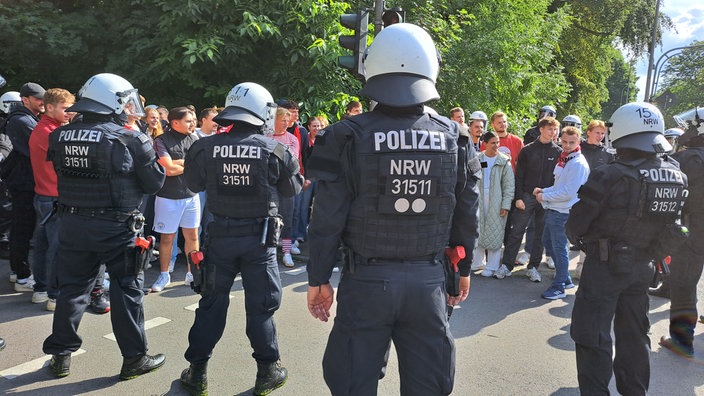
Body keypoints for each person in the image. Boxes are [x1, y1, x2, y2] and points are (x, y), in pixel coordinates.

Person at [306, 23, 479, 395]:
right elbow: (467, 211)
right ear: (430, 67)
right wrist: (462, 269)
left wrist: (318, 279)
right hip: (428, 281)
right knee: (429, 384)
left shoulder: (345, 134)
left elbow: (326, 218)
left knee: (352, 381)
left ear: (373, 67)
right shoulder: (455, 136)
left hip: (366, 280)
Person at [179, 82, 303, 396]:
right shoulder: (276, 149)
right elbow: (292, 191)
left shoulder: (204, 146)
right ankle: (267, 372)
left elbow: (192, 183)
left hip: (219, 238)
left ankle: (196, 373)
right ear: (264, 112)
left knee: (210, 305)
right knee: (260, 309)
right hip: (259, 242)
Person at [42, 73, 167, 379]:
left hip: (72, 223)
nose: (128, 107)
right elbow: (154, 183)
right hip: (117, 227)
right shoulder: (130, 138)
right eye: (124, 101)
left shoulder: (60, 135)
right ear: (112, 102)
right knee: (127, 290)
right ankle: (134, 359)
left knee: (72, 290)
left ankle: (60, 356)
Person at [567, 102, 687, 395]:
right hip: (644, 267)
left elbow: (576, 225)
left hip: (604, 267)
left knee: (592, 337)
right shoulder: (675, 174)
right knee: (634, 335)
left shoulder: (610, 174)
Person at [659, 106, 704, 358]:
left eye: (689, 126)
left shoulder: (689, 159)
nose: (685, 131)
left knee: (683, 285)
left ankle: (682, 340)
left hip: (691, 232)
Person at [495, 117, 561, 281]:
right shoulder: (528, 150)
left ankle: (533, 267)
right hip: (526, 196)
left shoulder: (558, 152)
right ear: (541, 129)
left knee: (540, 234)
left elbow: (558, 179)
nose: (552, 133)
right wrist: (518, 198)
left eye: (554, 130)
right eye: (549, 129)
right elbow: (519, 176)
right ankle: (507, 265)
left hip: (547, 198)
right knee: (516, 231)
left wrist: (552, 197)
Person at [28, 88, 75, 311]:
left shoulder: (45, 129)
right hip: (54, 197)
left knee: (42, 245)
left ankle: (41, 289)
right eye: (65, 109)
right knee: (57, 247)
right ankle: (54, 295)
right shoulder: (51, 132)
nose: (69, 113)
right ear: (49, 107)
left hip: (44, 195)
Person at [533, 126, 589, 299]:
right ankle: (564, 279)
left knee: (558, 248)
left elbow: (569, 193)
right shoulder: (566, 159)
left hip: (564, 211)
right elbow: (560, 187)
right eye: (564, 141)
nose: (566, 145)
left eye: (571, 142)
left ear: (578, 142)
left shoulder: (577, 163)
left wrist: (544, 196)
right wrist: (544, 191)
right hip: (556, 209)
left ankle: (559, 286)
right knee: (549, 243)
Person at [151, 107, 201, 291]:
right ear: (175, 122)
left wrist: (179, 163)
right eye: (189, 120)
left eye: (194, 119)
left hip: (191, 195)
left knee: (193, 236)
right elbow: (168, 169)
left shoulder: (195, 138)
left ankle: (192, 274)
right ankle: (164, 275)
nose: (193, 123)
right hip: (167, 197)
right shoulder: (161, 141)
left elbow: (200, 165)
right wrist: (188, 164)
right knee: (167, 238)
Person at [4, 82, 45, 291]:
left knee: (23, 228)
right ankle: (21, 275)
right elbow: (42, 146)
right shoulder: (22, 120)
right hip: (24, 182)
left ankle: (17, 271)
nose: (42, 102)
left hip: (24, 180)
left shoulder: (26, 118)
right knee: (23, 228)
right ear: (25, 99)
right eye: (38, 98)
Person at [474, 131, 514, 277]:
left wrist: (506, 204)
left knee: (495, 230)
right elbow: (471, 178)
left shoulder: (504, 161)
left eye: (498, 142)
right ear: (485, 143)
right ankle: (478, 261)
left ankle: (492, 265)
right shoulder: (478, 158)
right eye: (493, 143)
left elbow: (509, 185)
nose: (496, 145)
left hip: (496, 200)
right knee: (478, 228)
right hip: (479, 198)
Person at [268, 107, 300, 267]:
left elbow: (291, 162)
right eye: (283, 120)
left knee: (287, 220)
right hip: (268, 185)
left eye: (288, 121)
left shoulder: (293, 138)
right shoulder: (264, 137)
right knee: (270, 219)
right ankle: (271, 251)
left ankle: (286, 252)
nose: (286, 123)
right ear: (274, 120)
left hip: (287, 186)